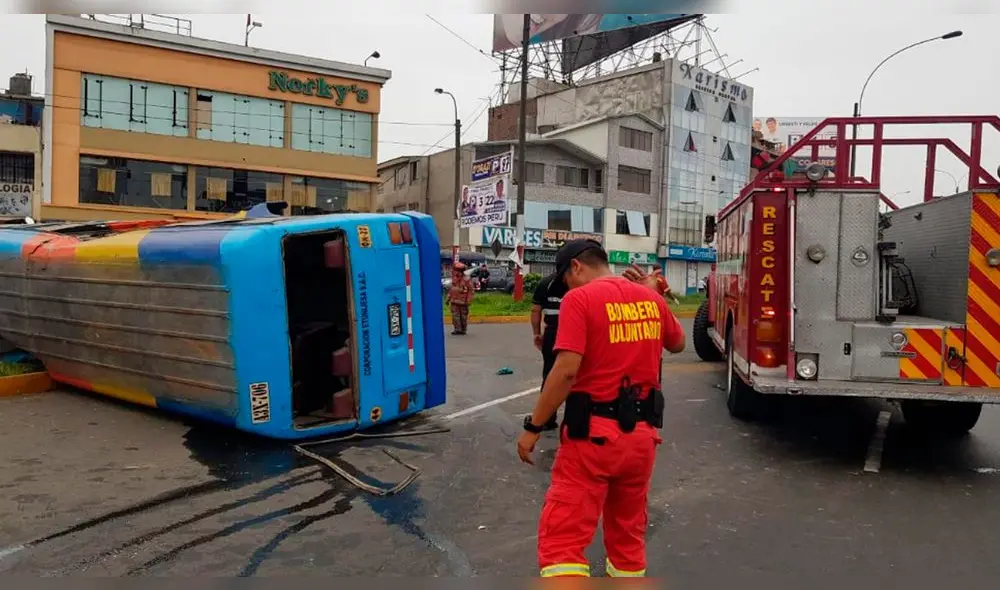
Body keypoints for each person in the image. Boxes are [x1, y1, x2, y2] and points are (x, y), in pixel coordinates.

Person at [516, 239, 686, 578]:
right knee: (627, 540)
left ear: (576, 267)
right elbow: (678, 343)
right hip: (641, 441)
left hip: (591, 438)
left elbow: (566, 370)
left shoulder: (579, 299)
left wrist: (533, 427)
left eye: (565, 279)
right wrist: (652, 297)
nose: (566, 287)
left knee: (562, 542)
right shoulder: (650, 298)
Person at [530, 271, 568, 430]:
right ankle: (575, 420)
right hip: (575, 331)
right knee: (578, 376)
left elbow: (535, 310)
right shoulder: (583, 281)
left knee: (550, 375)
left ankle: (546, 419)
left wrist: (537, 333)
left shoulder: (546, 282)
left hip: (552, 333)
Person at [445, 261, 474, 335]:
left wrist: (469, 300)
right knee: (455, 316)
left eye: (455, 270)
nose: (454, 272)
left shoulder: (467, 280)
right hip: (454, 301)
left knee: (463, 317)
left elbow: (471, 291)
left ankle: (463, 329)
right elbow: (451, 290)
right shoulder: (454, 280)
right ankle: (457, 329)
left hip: (463, 302)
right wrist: (448, 299)